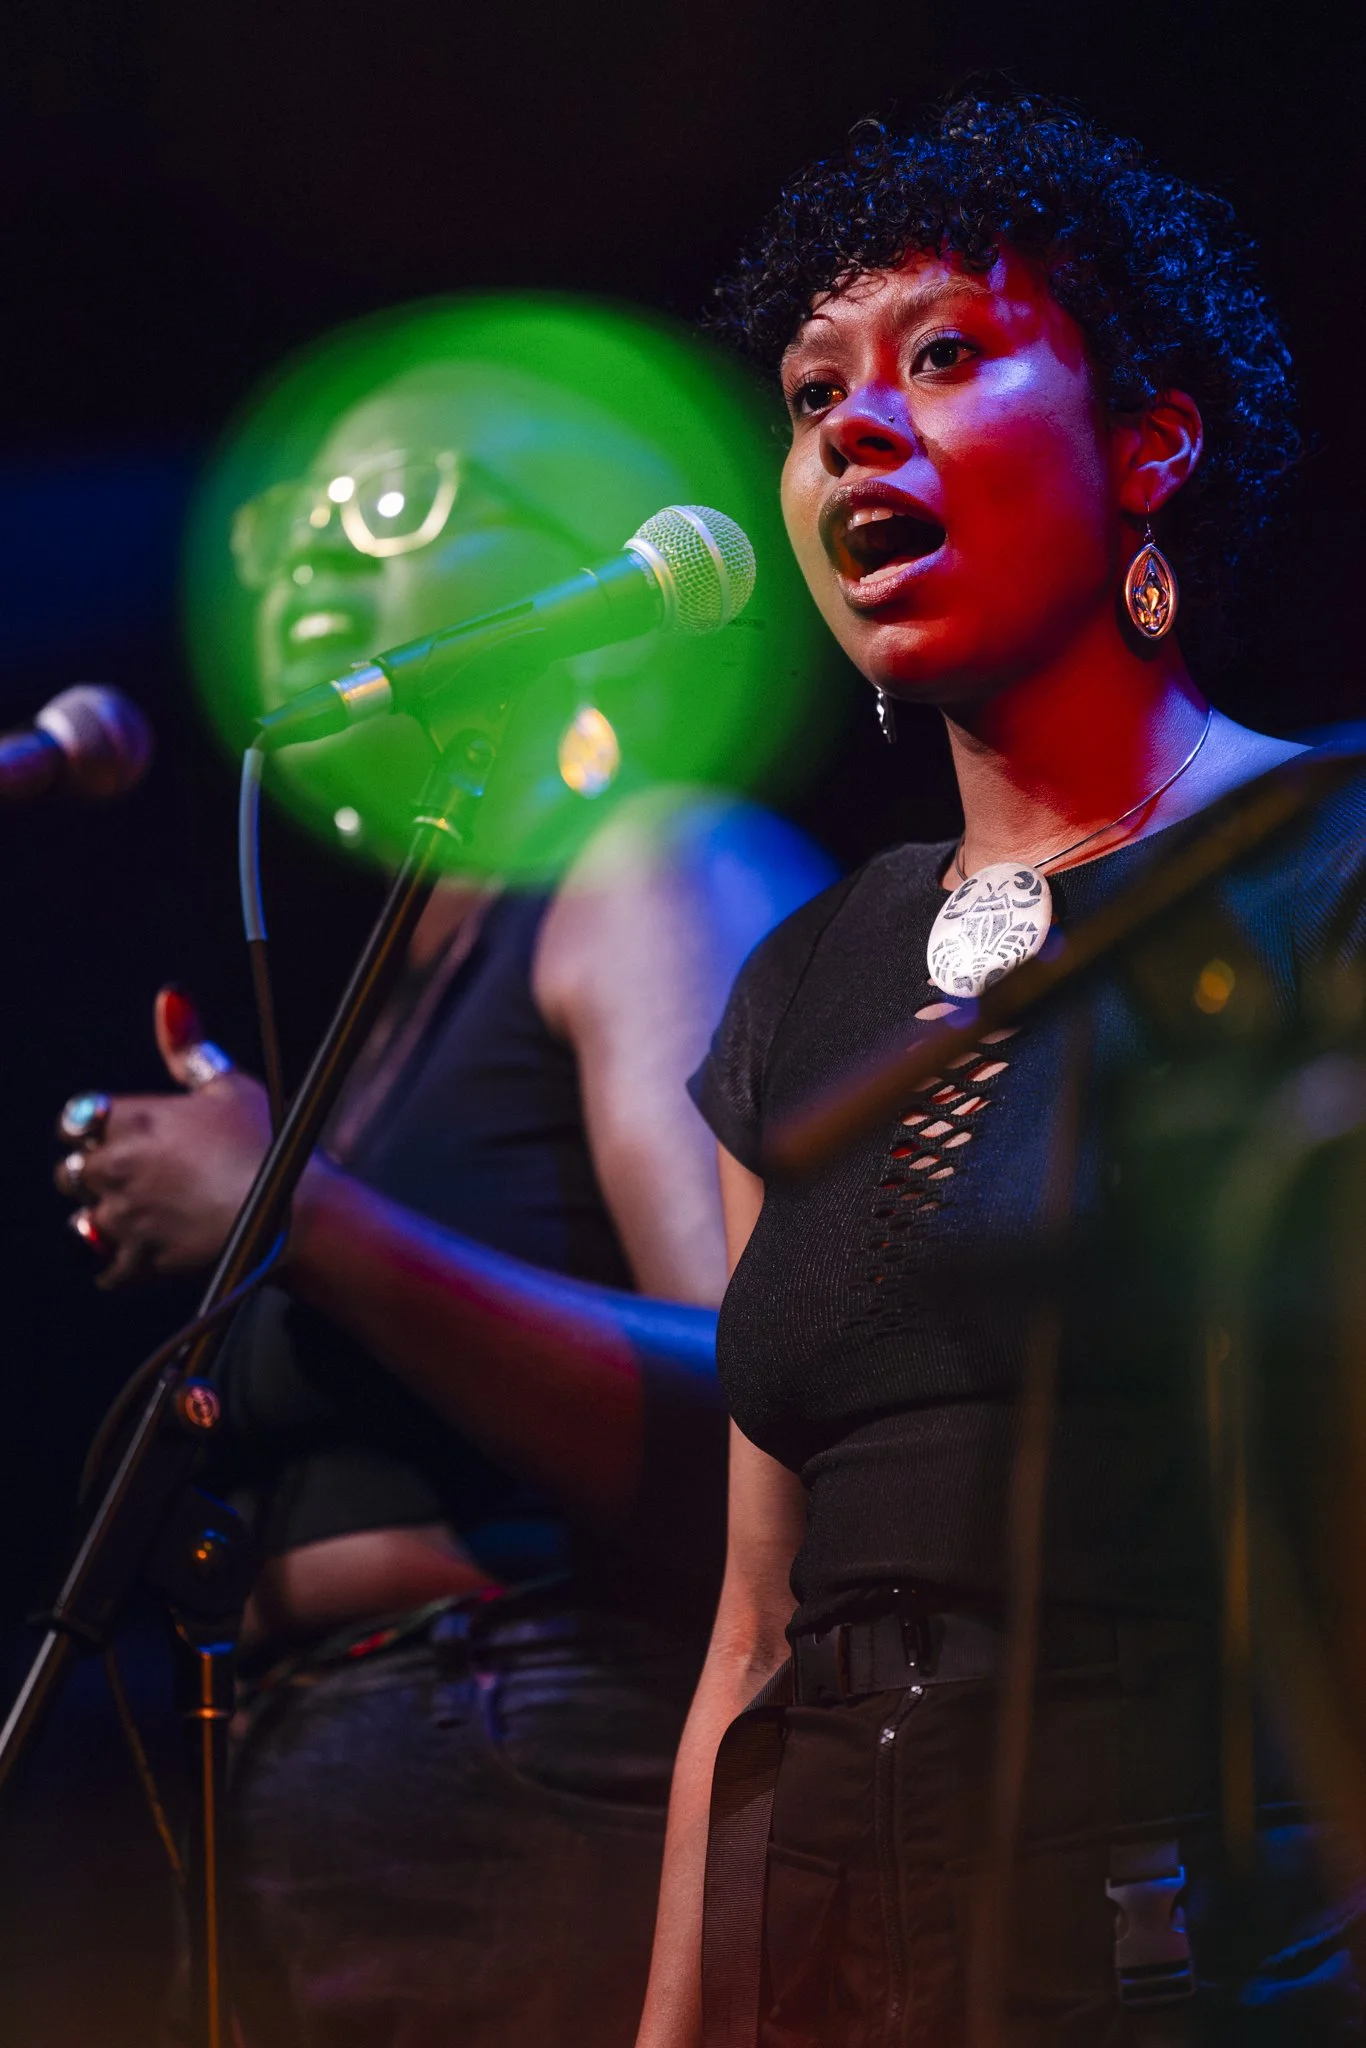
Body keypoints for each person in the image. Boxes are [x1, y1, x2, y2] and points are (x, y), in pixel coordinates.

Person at [636, 96, 1366, 2048]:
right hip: (829, 1944)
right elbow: (747, 1637)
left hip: (1201, 1943)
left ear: (1147, 444)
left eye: (942, 356)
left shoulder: (1329, 862)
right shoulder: (802, 983)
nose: (849, 430)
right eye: (808, 397)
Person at [55, 306, 834, 2047]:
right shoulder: (403, 976)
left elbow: (766, 1397)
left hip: (538, 1757)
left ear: (589, 568)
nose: (315, 551)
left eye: (394, 504)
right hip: (337, 1794)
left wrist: (294, 1208)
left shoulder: (644, 864)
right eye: (287, 527)